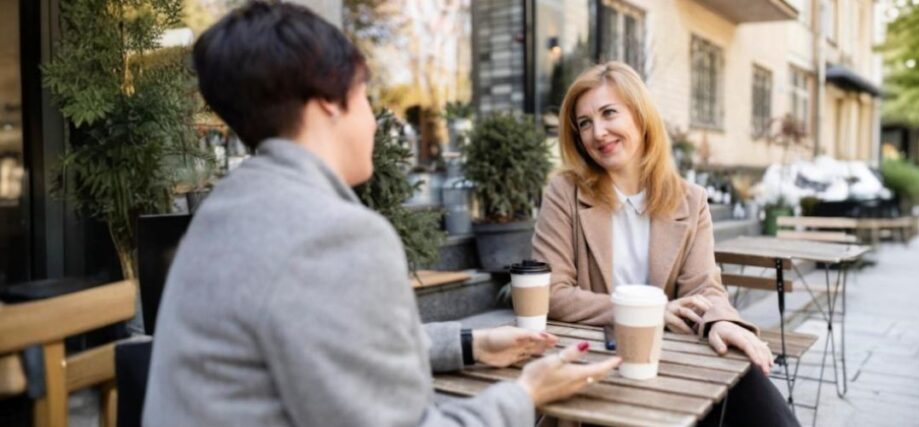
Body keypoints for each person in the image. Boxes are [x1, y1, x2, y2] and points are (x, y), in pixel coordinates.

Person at [142, 3, 619, 427]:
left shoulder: (225, 208)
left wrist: (471, 343)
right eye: (365, 96)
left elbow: (334, 340)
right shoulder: (336, 235)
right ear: (329, 102)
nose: (376, 120)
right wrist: (524, 396)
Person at [532, 61, 799, 427]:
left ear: (641, 117)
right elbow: (551, 292)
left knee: (752, 388)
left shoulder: (690, 199)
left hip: (670, 361)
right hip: (596, 367)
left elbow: (704, 286)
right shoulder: (565, 194)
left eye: (609, 113)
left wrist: (721, 320)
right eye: (585, 123)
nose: (598, 132)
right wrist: (644, 313)